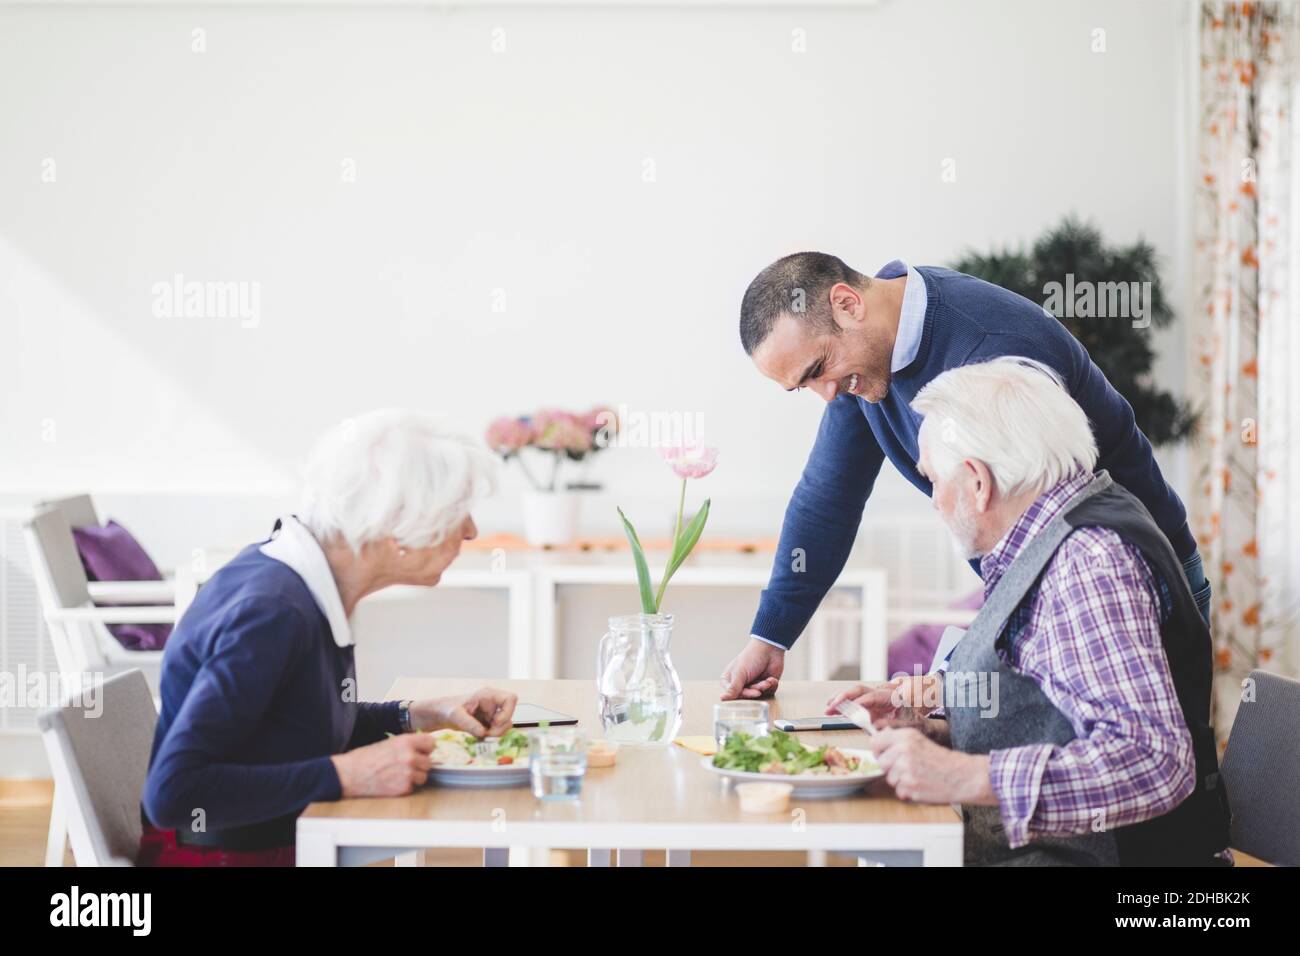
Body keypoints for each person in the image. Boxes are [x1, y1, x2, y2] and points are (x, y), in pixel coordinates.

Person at [720, 253, 1212, 701]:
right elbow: (826, 501)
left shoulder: (996, 351)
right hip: (1047, 584)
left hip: (1132, 581)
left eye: (818, 369)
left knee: (1151, 777)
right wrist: (771, 635)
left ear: (847, 304)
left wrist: (938, 689)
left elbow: (1038, 551)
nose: (826, 396)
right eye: (804, 385)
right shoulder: (860, 365)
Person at [830, 359, 1229, 865]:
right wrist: (940, 734)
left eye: (934, 480)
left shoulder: (1088, 560)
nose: (934, 502)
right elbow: (1051, 710)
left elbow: (1153, 761)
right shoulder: (1048, 537)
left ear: (976, 482)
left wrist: (964, 776)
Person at [140, 409, 516, 866]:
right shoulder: (271, 615)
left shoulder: (296, 576)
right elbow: (175, 793)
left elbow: (288, 726)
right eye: (458, 512)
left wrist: (416, 714)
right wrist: (347, 775)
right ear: (397, 525)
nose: (472, 530)